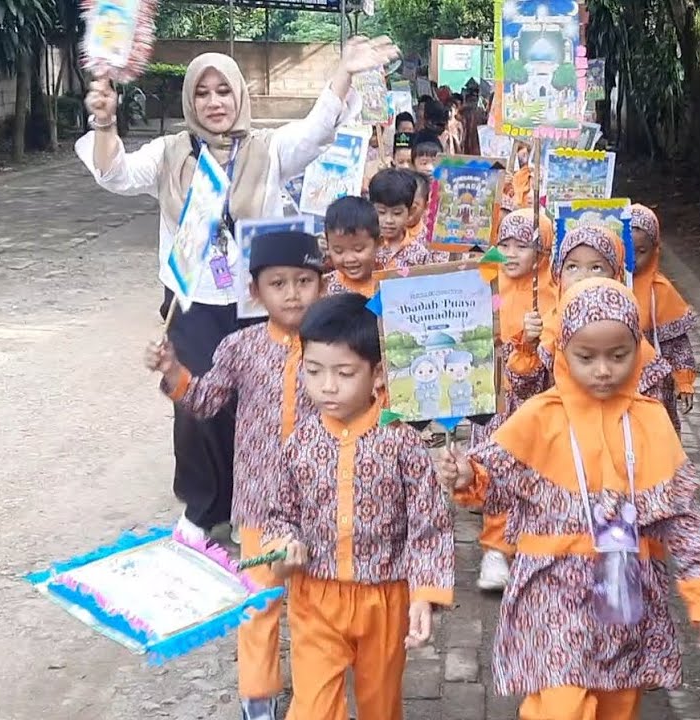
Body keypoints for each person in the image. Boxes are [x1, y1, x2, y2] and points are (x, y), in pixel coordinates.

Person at [79, 37, 399, 544]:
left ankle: (269, 502)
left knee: (265, 405)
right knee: (196, 404)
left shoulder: (268, 149)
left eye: (223, 90)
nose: (213, 102)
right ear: (190, 101)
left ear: (239, 96)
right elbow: (114, 173)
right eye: (202, 93)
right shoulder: (170, 153)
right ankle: (204, 507)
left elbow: (318, 131)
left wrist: (344, 70)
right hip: (193, 300)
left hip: (260, 303)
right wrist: (103, 122)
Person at [436, 278, 700, 719]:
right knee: (559, 705)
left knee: (618, 703)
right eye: (586, 357)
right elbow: (494, 480)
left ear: (638, 350)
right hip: (551, 589)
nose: (604, 370)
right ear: (563, 352)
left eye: (619, 355)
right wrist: (465, 474)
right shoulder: (540, 415)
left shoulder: (650, 421)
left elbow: (683, 518)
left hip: (624, 590)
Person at [143, 230, 326, 720]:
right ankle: (258, 697)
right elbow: (203, 401)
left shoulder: (335, 348)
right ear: (254, 291)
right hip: (259, 506)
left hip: (322, 505)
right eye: (278, 282)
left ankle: (312, 700)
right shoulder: (239, 347)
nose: (292, 293)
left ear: (321, 286)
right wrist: (174, 369)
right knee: (260, 604)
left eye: (305, 281)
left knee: (313, 609)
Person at [265, 293, 454, 720]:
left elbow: (429, 526)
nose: (327, 386)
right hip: (315, 596)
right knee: (312, 708)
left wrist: (424, 596)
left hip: (384, 598)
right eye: (314, 372)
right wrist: (284, 545)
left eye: (344, 373)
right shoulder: (299, 443)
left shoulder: (402, 441)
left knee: (379, 705)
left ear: (378, 375)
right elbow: (281, 513)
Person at [467, 208, 556, 591]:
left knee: (533, 473)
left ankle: (534, 546)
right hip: (491, 395)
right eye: (505, 244)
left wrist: (534, 340)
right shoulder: (484, 282)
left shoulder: (552, 291)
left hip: (536, 401)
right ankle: (496, 549)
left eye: (524, 245)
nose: (513, 254)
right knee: (496, 469)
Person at [506, 225, 673, 407]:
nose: (582, 277)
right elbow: (524, 391)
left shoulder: (627, 330)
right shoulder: (545, 329)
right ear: (558, 274)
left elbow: (654, 408)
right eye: (572, 267)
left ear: (617, 275)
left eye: (596, 267)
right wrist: (529, 348)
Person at [629, 205, 698, 431]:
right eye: (628, 249)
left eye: (642, 251)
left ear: (655, 249)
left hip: (656, 386)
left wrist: (684, 380)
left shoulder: (660, 290)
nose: (634, 258)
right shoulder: (608, 284)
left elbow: (678, 345)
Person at [369, 168, 442, 270]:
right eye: (381, 212)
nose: (389, 220)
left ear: (410, 212)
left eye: (397, 213)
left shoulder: (420, 254)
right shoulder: (365, 246)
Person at [323, 195, 381, 297]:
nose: (349, 259)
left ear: (378, 243)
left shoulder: (392, 281)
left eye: (358, 249)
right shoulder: (326, 290)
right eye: (338, 251)